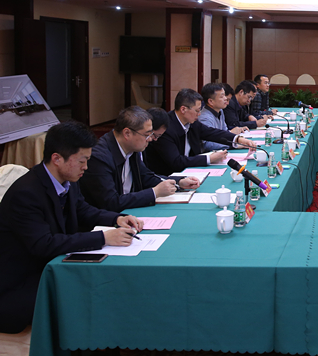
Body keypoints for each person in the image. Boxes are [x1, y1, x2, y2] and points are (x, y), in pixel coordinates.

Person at [0, 121, 142, 333]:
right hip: (23, 282)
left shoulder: (68, 179)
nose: (86, 167)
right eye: (82, 161)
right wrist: (104, 238)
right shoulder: (26, 193)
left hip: (53, 265)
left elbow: (83, 210)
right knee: (91, 297)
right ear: (57, 158)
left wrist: (117, 218)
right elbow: (44, 244)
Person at [81, 106, 200, 212]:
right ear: (127, 133)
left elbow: (146, 176)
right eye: (146, 135)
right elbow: (111, 202)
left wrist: (179, 182)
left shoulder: (132, 148)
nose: (150, 139)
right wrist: (154, 193)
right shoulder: (99, 158)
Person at [145, 89, 258, 175]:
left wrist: (238, 139)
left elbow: (211, 132)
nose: (199, 114)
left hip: (191, 172)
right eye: (197, 110)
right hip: (169, 176)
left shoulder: (192, 122)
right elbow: (176, 162)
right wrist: (209, 159)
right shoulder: (167, 127)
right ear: (183, 109)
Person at [198, 83, 246, 151]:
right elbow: (207, 145)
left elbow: (224, 132)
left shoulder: (220, 111)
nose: (225, 98)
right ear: (211, 101)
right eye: (221, 96)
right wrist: (233, 144)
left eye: (224, 95)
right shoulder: (204, 118)